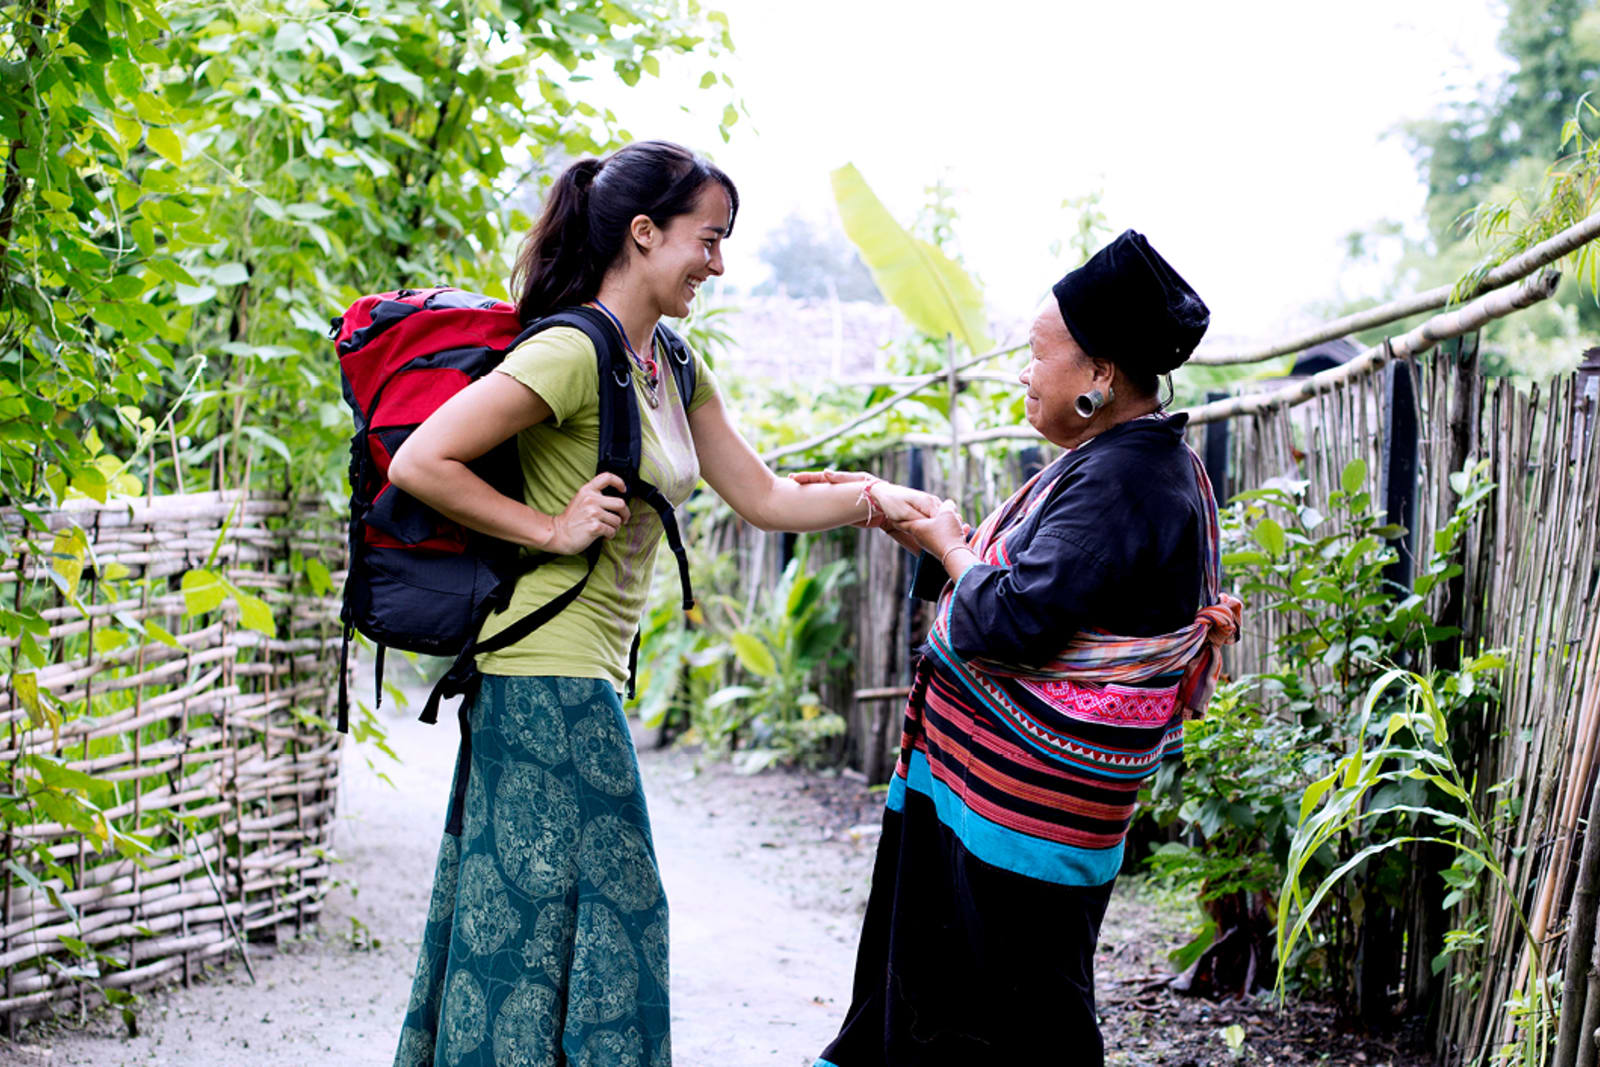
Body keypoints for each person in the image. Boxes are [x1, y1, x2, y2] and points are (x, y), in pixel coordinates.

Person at [383, 140, 938, 1067]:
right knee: (600, 921)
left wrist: (884, 503)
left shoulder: (670, 363)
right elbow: (419, 460)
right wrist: (548, 526)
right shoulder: (568, 350)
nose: (717, 264)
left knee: (547, 926)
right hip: (541, 674)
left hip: (579, 679)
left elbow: (762, 497)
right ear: (643, 234)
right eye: (707, 240)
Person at [808, 230, 1243, 1066]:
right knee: (965, 994)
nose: (1025, 372)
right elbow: (1047, 593)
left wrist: (946, 546)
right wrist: (928, 530)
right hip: (1011, 806)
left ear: (1100, 375)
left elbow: (1006, 619)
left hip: (1029, 815)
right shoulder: (1123, 462)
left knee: (1021, 1014)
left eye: (1039, 354)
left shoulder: (1126, 477)